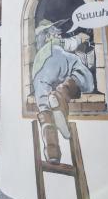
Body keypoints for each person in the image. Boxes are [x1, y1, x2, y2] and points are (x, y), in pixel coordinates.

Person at [32, 19, 94, 164]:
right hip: (56, 59)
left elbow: (43, 80)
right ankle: (61, 93)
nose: (59, 35)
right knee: (81, 72)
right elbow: (71, 43)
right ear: (48, 35)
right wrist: (81, 37)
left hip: (38, 75)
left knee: (44, 109)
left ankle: (52, 150)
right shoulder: (55, 45)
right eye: (56, 33)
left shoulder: (38, 56)